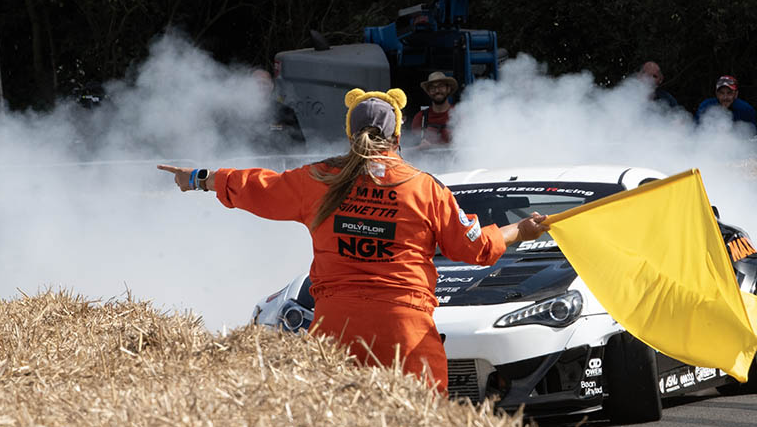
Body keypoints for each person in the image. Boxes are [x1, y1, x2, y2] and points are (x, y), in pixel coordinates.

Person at [157, 88, 549, 393]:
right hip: (405, 329)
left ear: (349, 133)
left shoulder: (320, 179)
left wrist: (198, 178)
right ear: (398, 136)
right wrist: (521, 230)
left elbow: (258, 187)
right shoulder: (425, 188)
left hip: (336, 328)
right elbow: (476, 247)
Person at [410, 71, 458, 148]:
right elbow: (411, 148)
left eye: (441, 86)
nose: (437, 91)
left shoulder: (459, 114)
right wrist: (419, 147)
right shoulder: (420, 117)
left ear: (448, 89)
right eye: (432, 88)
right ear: (428, 92)